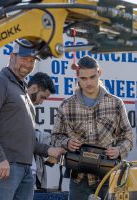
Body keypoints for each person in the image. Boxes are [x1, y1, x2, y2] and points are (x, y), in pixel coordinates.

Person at [0, 40, 65, 200]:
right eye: (24, 58)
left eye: (32, 61)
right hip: (5, 166)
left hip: (24, 168)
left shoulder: (21, 88)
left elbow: (25, 139)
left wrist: (48, 150)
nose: (28, 64)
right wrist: (0, 158)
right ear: (12, 57)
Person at [51, 55, 133, 200]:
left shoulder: (116, 103)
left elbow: (127, 137)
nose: (88, 82)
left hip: (109, 177)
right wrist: (67, 142)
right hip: (79, 180)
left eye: (92, 77)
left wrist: (119, 150)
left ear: (99, 73)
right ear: (77, 77)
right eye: (83, 78)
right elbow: (55, 137)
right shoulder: (66, 106)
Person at [27, 72, 56, 189]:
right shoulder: (17, 105)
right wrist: (49, 150)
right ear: (34, 88)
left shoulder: (29, 109)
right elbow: (24, 142)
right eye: (42, 97)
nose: (42, 102)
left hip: (28, 172)